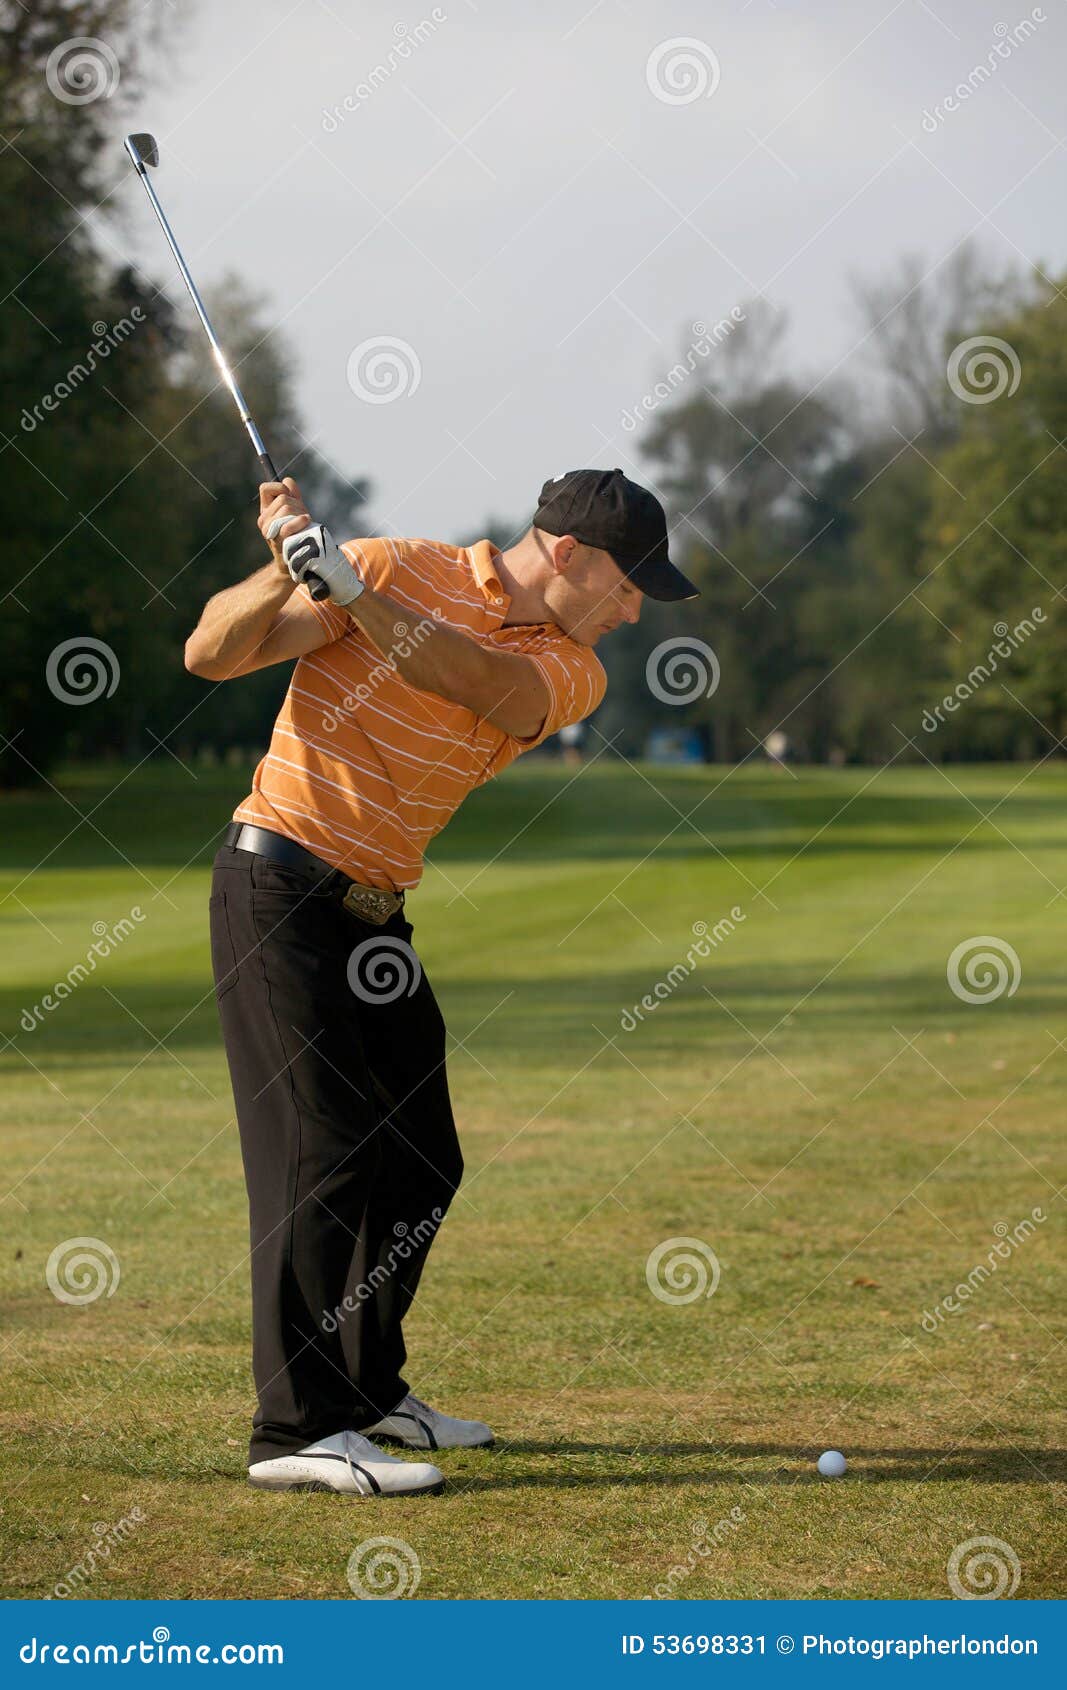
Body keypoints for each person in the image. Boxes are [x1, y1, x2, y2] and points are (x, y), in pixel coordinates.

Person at [184, 467, 698, 1497]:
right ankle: (296, 1426)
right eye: (631, 581)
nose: (637, 605)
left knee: (422, 1159)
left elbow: (476, 683)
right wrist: (283, 561)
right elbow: (210, 652)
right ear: (565, 553)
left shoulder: (566, 668)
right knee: (319, 1150)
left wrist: (356, 598)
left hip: (376, 913)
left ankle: (368, 1389)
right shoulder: (385, 566)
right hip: (278, 883)